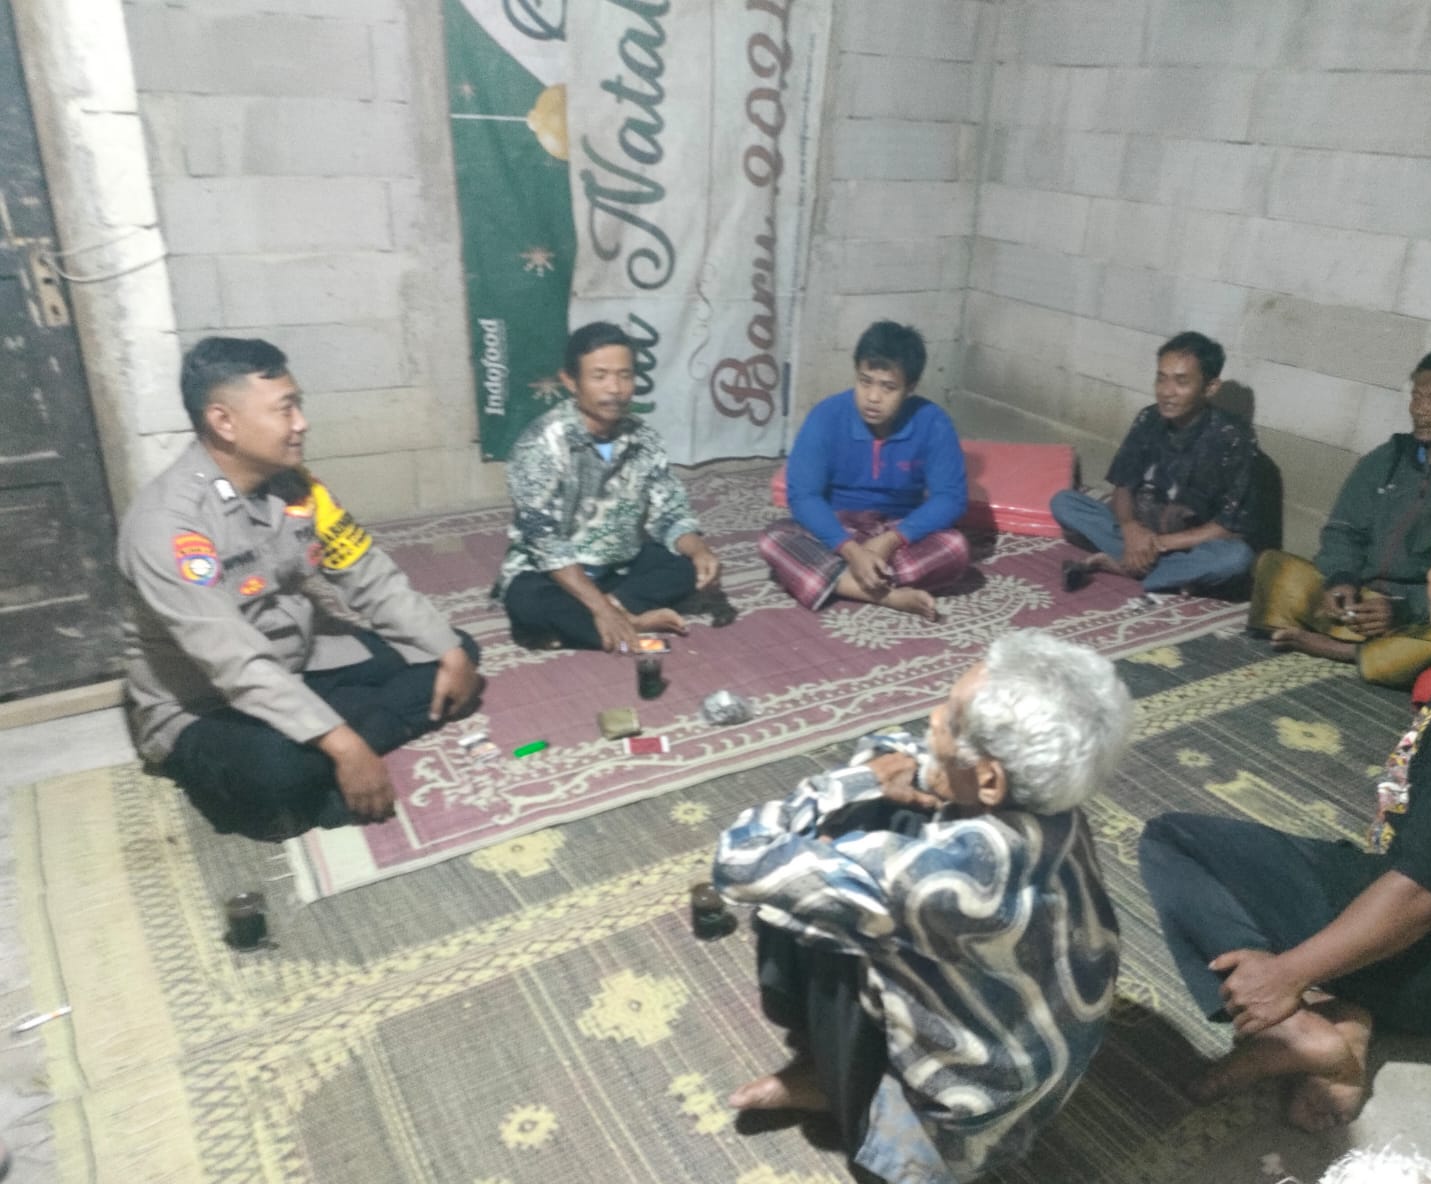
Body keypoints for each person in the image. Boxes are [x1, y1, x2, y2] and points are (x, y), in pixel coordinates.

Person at [1140, 486, 1431, 1134]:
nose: (1428, 576)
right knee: (1290, 863)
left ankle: (1300, 1028)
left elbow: (1419, 896)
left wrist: (1288, 975)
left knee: (1173, 841)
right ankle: (1349, 1015)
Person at [713, 631, 1131, 1184]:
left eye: (949, 718)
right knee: (875, 830)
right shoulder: (1061, 812)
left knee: (801, 898)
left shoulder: (932, 877)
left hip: (943, 1140)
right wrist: (908, 765)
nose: (931, 717)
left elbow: (739, 858)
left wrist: (858, 781)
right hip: (1025, 1088)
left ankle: (839, 1090)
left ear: (990, 781)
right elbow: (898, 748)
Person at [118, 337, 483, 842]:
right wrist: (345, 745)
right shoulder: (170, 526)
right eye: (285, 409)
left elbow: (369, 575)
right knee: (276, 774)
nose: (302, 423)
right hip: (206, 701)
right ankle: (334, 741)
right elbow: (235, 664)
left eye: (299, 406)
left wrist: (447, 651)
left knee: (454, 652)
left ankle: (331, 739)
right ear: (224, 422)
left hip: (299, 660)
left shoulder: (298, 487)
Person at [1250, 344, 1431, 689]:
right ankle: (1365, 645)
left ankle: (1346, 651)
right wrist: (1341, 580)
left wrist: (1403, 608)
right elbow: (1342, 530)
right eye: (1417, 397)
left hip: (1420, 615)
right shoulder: (1387, 458)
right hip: (1362, 601)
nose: (1420, 410)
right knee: (1273, 566)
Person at [494, 322, 720, 651]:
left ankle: (604, 620)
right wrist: (600, 607)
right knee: (526, 601)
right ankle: (627, 620)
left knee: (682, 568)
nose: (614, 388)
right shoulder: (540, 445)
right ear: (570, 381)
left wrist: (699, 550)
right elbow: (545, 545)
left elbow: (669, 512)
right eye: (599, 376)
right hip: (556, 575)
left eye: (625, 376)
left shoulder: (643, 438)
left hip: (619, 566)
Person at [759, 321, 969, 621]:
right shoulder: (826, 416)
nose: (873, 397)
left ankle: (835, 580)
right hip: (836, 528)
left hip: (896, 532)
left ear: (910, 388)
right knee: (774, 539)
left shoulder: (933, 423)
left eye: (888, 387)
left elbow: (950, 498)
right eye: (865, 381)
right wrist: (851, 551)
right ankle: (889, 595)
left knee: (955, 548)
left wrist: (890, 540)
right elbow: (804, 495)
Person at [1051, 330, 1257, 595]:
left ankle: (1128, 565)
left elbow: (1229, 528)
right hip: (1139, 532)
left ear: (1210, 388)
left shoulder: (1234, 437)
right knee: (1064, 503)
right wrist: (1130, 529)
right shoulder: (1148, 418)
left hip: (1188, 544)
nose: (1166, 392)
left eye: (1181, 382)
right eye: (1161, 379)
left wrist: (1157, 544)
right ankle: (1165, 573)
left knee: (1237, 558)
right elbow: (1123, 486)